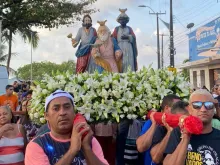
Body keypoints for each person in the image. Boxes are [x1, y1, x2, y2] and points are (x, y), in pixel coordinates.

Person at [25, 89, 109, 165]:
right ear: (46, 116)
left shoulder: (89, 140)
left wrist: (86, 148)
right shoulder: (38, 145)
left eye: (67, 107)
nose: (62, 113)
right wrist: (72, 151)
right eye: (56, 108)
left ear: (74, 113)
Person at [164, 89, 220, 165]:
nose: (203, 109)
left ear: (213, 109)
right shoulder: (178, 132)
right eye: (197, 105)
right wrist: (186, 137)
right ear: (189, 109)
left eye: (208, 105)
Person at [136, 94, 182, 165]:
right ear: (167, 108)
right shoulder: (151, 122)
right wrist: (154, 125)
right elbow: (141, 148)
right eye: (177, 107)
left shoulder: (180, 124)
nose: (179, 110)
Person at [112, 8, 138, 72]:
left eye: (124, 19)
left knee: (129, 62)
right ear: (119, 21)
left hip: (128, 47)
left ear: (126, 20)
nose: (122, 21)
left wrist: (128, 37)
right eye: (121, 19)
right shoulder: (117, 29)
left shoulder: (129, 28)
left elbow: (134, 37)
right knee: (120, 63)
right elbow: (113, 39)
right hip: (119, 48)